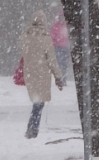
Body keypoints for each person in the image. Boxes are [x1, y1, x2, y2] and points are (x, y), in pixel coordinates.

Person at [19, 11, 64, 139]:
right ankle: (32, 130)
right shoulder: (45, 38)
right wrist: (58, 77)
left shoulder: (25, 37)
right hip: (42, 73)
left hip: (29, 73)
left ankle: (32, 129)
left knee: (36, 101)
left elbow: (23, 53)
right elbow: (52, 60)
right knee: (39, 103)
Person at [50, 10, 71, 85]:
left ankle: (64, 80)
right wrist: (54, 42)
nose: (63, 19)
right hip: (58, 47)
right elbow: (52, 36)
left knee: (65, 64)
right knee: (59, 63)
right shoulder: (56, 26)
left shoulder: (68, 26)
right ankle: (59, 79)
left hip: (66, 47)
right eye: (61, 17)